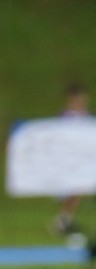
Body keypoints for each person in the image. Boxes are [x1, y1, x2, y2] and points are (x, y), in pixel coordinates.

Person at [52, 82, 91, 242]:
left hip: (84, 160)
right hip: (69, 161)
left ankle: (63, 221)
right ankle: (62, 221)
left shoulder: (87, 117)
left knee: (77, 191)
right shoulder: (65, 117)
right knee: (72, 192)